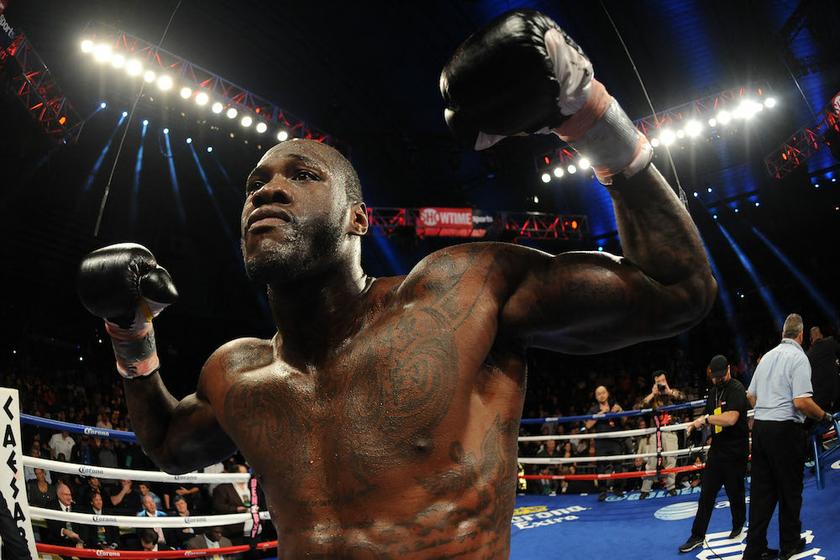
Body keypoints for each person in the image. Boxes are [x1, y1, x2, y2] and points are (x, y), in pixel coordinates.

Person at [76, 9, 716, 557]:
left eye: (301, 176)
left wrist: (589, 116)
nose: (266, 189)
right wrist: (130, 331)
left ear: (358, 218)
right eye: (253, 186)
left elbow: (678, 290)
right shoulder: (235, 373)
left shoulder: (460, 293)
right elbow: (166, 444)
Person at [743, 314, 834, 560]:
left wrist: (769, 408)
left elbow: (750, 395)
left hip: (761, 429)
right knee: (790, 490)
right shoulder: (798, 357)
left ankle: (754, 549)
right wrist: (824, 415)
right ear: (801, 335)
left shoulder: (767, 358)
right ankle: (790, 544)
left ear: (783, 333)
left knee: (762, 493)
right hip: (784, 430)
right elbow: (802, 402)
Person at [678, 355, 749, 553]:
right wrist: (697, 425)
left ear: (728, 369)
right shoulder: (714, 392)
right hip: (718, 449)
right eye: (715, 377)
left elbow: (731, 418)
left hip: (736, 449)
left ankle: (738, 524)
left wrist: (707, 420)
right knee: (706, 493)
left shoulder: (736, 388)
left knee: (736, 492)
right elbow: (709, 415)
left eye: (721, 375)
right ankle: (697, 535)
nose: (718, 379)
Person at [640, 370, 685, 498]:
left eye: (662, 380)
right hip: (655, 431)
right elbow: (639, 407)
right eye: (658, 381)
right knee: (652, 461)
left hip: (670, 431)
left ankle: (671, 487)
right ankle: (645, 490)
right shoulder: (652, 398)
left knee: (671, 459)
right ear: (654, 383)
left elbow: (683, 398)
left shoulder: (672, 393)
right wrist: (652, 394)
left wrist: (669, 391)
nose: (661, 383)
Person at [584, 386, 626, 501]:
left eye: (603, 392)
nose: (601, 395)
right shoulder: (594, 409)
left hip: (615, 440)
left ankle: (618, 489)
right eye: (599, 394)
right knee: (601, 467)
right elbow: (587, 425)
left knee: (618, 465)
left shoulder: (614, 404)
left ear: (607, 393)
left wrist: (621, 411)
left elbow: (625, 420)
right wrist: (601, 413)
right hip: (601, 442)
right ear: (596, 397)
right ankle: (603, 491)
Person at [806, 325, 839, 413]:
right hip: (836, 392)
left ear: (811, 339)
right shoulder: (831, 343)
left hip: (820, 398)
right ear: (821, 335)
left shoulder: (808, 355)